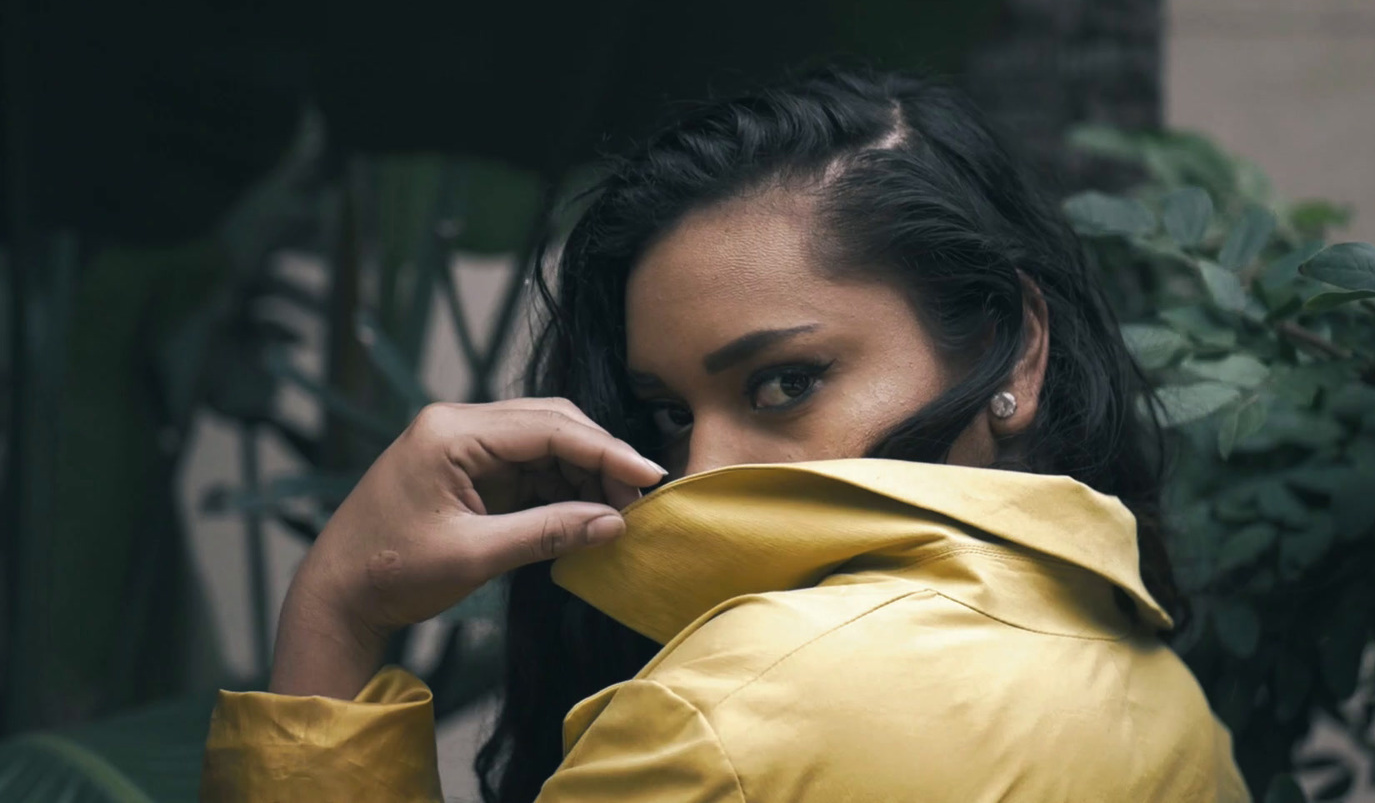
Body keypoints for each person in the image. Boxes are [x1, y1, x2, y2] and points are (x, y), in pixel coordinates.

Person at [200, 69, 1250, 802]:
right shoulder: (1169, 704)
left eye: (787, 381)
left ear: (1014, 347)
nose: (700, 469)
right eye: (667, 413)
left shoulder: (721, 721)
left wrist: (335, 608)